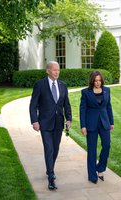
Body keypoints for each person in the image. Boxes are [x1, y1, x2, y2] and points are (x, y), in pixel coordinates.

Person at [29, 61, 72, 190]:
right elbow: (33, 105)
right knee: (49, 149)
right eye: (54, 70)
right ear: (47, 71)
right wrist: (34, 121)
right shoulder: (40, 85)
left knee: (56, 149)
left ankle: (49, 168)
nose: (57, 72)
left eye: (58, 70)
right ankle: (51, 177)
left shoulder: (62, 85)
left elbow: (67, 105)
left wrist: (69, 119)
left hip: (58, 123)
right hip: (45, 123)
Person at [79, 71, 114, 184]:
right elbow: (82, 109)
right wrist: (83, 126)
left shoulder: (106, 90)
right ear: (92, 81)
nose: (98, 83)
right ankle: (92, 176)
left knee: (107, 145)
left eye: (99, 80)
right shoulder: (85, 92)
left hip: (104, 123)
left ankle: (100, 168)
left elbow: (108, 106)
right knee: (92, 150)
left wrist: (111, 122)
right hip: (91, 124)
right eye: (95, 80)